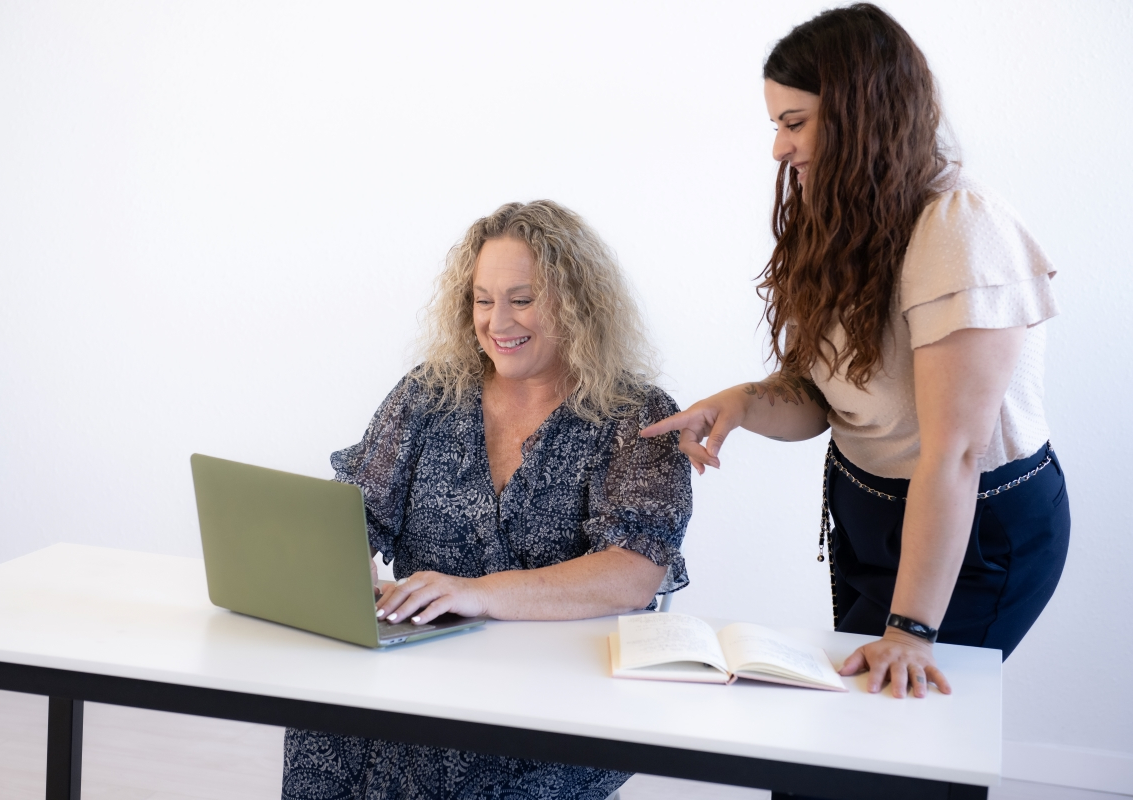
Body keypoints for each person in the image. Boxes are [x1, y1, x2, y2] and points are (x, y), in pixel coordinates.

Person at [642, 3, 1069, 702]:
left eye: (794, 123)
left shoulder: (960, 229)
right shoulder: (851, 219)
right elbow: (828, 398)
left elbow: (954, 453)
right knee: (847, 749)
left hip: (975, 541)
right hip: (875, 522)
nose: (779, 149)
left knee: (877, 746)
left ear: (861, 112)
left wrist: (908, 631)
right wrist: (743, 403)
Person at [282, 200, 692, 800]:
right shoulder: (428, 394)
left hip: (556, 693)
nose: (498, 320)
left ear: (577, 305)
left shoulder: (638, 415)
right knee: (321, 719)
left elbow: (632, 573)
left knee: (456, 760)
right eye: (483, 299)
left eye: (522, 299)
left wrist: (474, 593)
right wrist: (350, 573)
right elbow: (355, 511)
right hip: (423, 668)